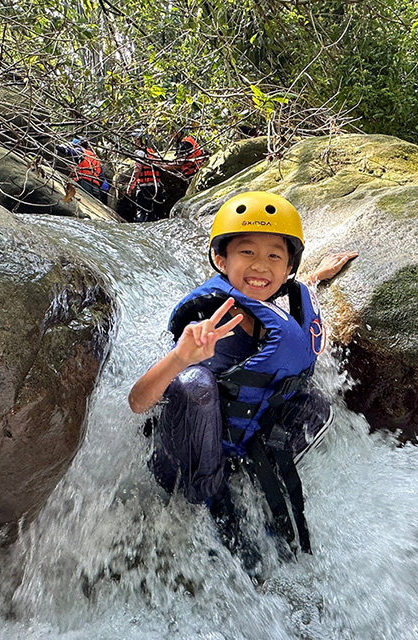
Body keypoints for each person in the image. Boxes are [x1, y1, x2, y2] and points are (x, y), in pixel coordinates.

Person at [128, 191, 357, 566]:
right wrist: (180, 357)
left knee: (315, 402)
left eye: (274, 256)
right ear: (221, 259)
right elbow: (138, 402)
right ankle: (210, 504)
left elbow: (275, 289)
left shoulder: (276, 297)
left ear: (287, 269)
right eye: (247, 253)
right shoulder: (207, 319)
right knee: (194, 384)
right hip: (185, 459)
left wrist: (319, 275)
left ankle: (251, 480)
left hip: (239, 446)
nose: (261, 267)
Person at [126, 130, 165, 222]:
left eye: (135, 139)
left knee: (142, 213)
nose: (134, 141)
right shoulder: (150, 152)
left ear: (141, 140)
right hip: (155, 188)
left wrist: (131, 186)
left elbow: (137, 170)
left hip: (144, 189)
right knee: (153, 215)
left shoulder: (140, 153)